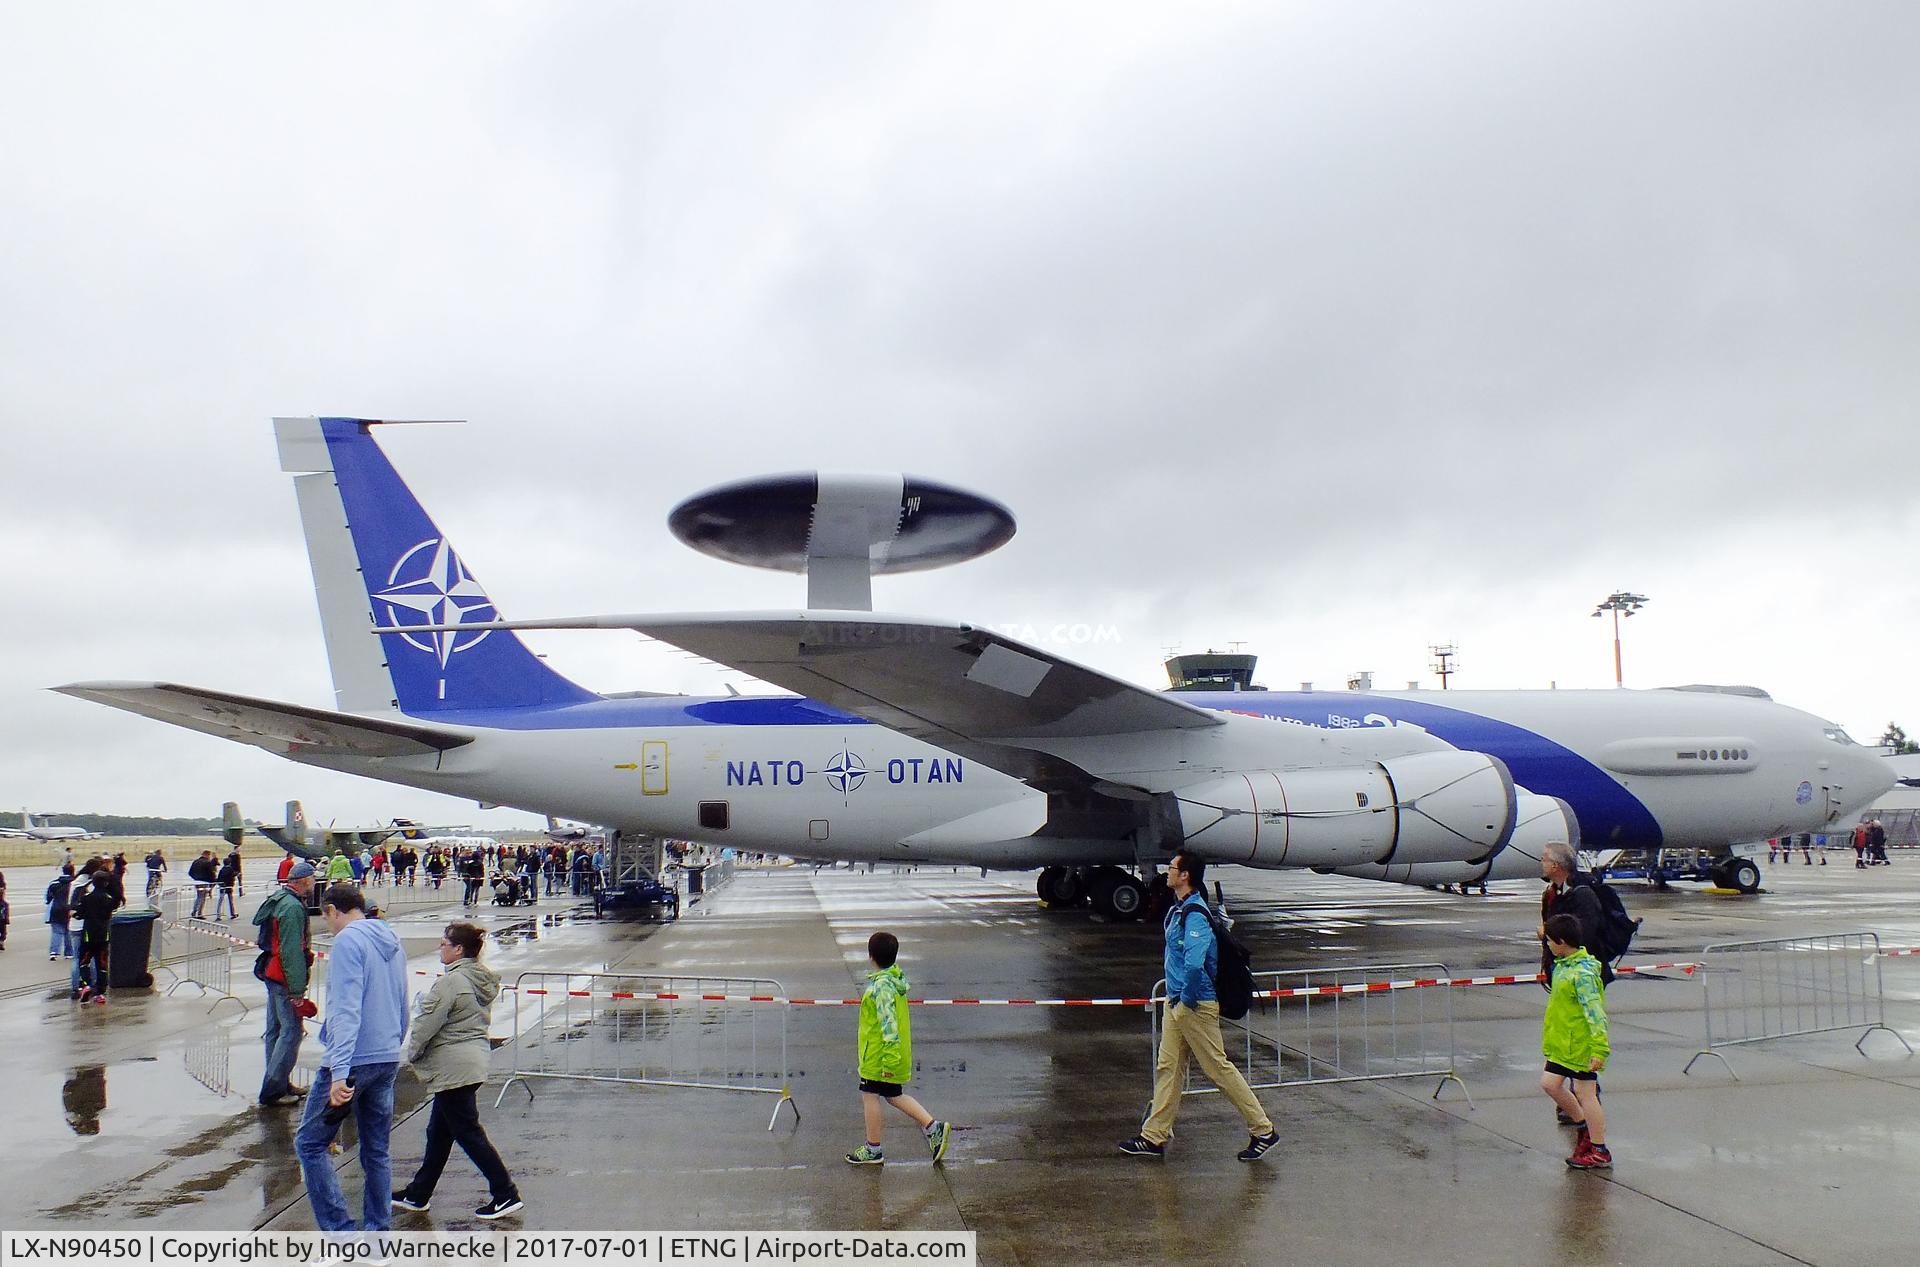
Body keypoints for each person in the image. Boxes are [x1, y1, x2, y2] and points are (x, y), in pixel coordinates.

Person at [1120, 853, 1279, 1161]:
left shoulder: (1194, 914)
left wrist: (1186, 1000)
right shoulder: (1179, 909)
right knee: (1169, 1067)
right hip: (1177, 1002)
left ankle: (1263, 1130)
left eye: (1172, 869)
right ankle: (1154, 1136)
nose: (1168, 873)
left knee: (1217, 1069)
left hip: (1193, 1004)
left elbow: (1194, 965)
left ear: (1185, 876)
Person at [295, 883, 409, 1232]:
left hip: (354, 1059)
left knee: (310, 1144)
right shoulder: (391, 939)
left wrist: (339, 1071)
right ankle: (377, 1235)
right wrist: (394, 1042)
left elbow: (345, 1009)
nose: (327, 924)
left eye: (325, 917)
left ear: (332, 910)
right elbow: (403, 1001)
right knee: (376, 1150)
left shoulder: (348, 941)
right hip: (386, 1054)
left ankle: (341, 1234)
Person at [391, 923, 523, 1220]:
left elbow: (427, 1023)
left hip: (454, 1068)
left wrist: (413, 1052)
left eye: (444, 944)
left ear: (458, 949)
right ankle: (419, 1193)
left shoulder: (451, 982)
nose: (441, 948)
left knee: (467, 1132)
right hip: (469, 1063)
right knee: (439, 1132)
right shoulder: (477, 978)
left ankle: (505, 1193)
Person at [844, 931, 951, 1166]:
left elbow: (888, 1025)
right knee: (894, 1096)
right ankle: (933, 1128)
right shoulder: (895, 981)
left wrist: (889, 1060)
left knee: (870, 1095)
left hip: (879, 1056)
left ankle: (873, 1148)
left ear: (871, 956)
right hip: (889, 1054)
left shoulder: (881, 988)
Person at [1541, 912, 1612, 1170]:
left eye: (1550, 940)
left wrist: (1599, 1049)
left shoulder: (1582, 974)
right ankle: (1584, 1127)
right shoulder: (1563, 966)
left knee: (1586, 1094)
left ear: (1561, 941)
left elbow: (1596, 1013)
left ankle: (1599, 1148)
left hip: (1580, 1045)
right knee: (1550, 1084)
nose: (1547, 944)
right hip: (1563, 1045)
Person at [254, 862, 317, 1106]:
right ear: (302, 881)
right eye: (312, 879)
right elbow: (291, 950)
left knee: (276, 1031)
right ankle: (274, 1088)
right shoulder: (292, 908)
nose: (314, 883)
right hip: (283, 976)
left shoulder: (280, 900)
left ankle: (279, 1081)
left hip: (273, 973)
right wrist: (297, 990)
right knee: (291, 1032)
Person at [69, 860, 122, 1003]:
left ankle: (85, 985)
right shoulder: (108, 899)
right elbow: (116, 902)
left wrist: (74, 913)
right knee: (102, 964)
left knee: (84, 961)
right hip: (103, 934)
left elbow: (79, 913)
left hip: (88, 934)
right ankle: (100, 992)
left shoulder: (87, 899)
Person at [46, 865, 75, 960]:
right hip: (69, 908)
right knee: (68, 931)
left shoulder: (54, 883)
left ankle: (54, 952)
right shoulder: (74, 883)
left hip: (56, 908)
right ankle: (68, 952)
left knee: (56, 931)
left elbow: (48, 897)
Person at [187, 849, 217, 919]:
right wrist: (213, 881)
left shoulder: (195, 861)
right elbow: (211, 874)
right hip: (204, 882)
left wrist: (196, 878)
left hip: (197, 882)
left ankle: (194, 911)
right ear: (207, 855)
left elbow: (190, 872)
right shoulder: (207, 862)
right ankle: (200, 913)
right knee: (202, 897)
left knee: (198, 896)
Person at [215, 851, 242, 920]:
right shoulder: (230, 869)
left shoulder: (222, 870)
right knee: (231, 901)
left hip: (222, 886)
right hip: (229, 887)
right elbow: (233, 874)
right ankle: (232, 913)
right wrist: (237, 874)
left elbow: (218, 878)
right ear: (230, 863)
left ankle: (218, 915)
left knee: (220, 901)